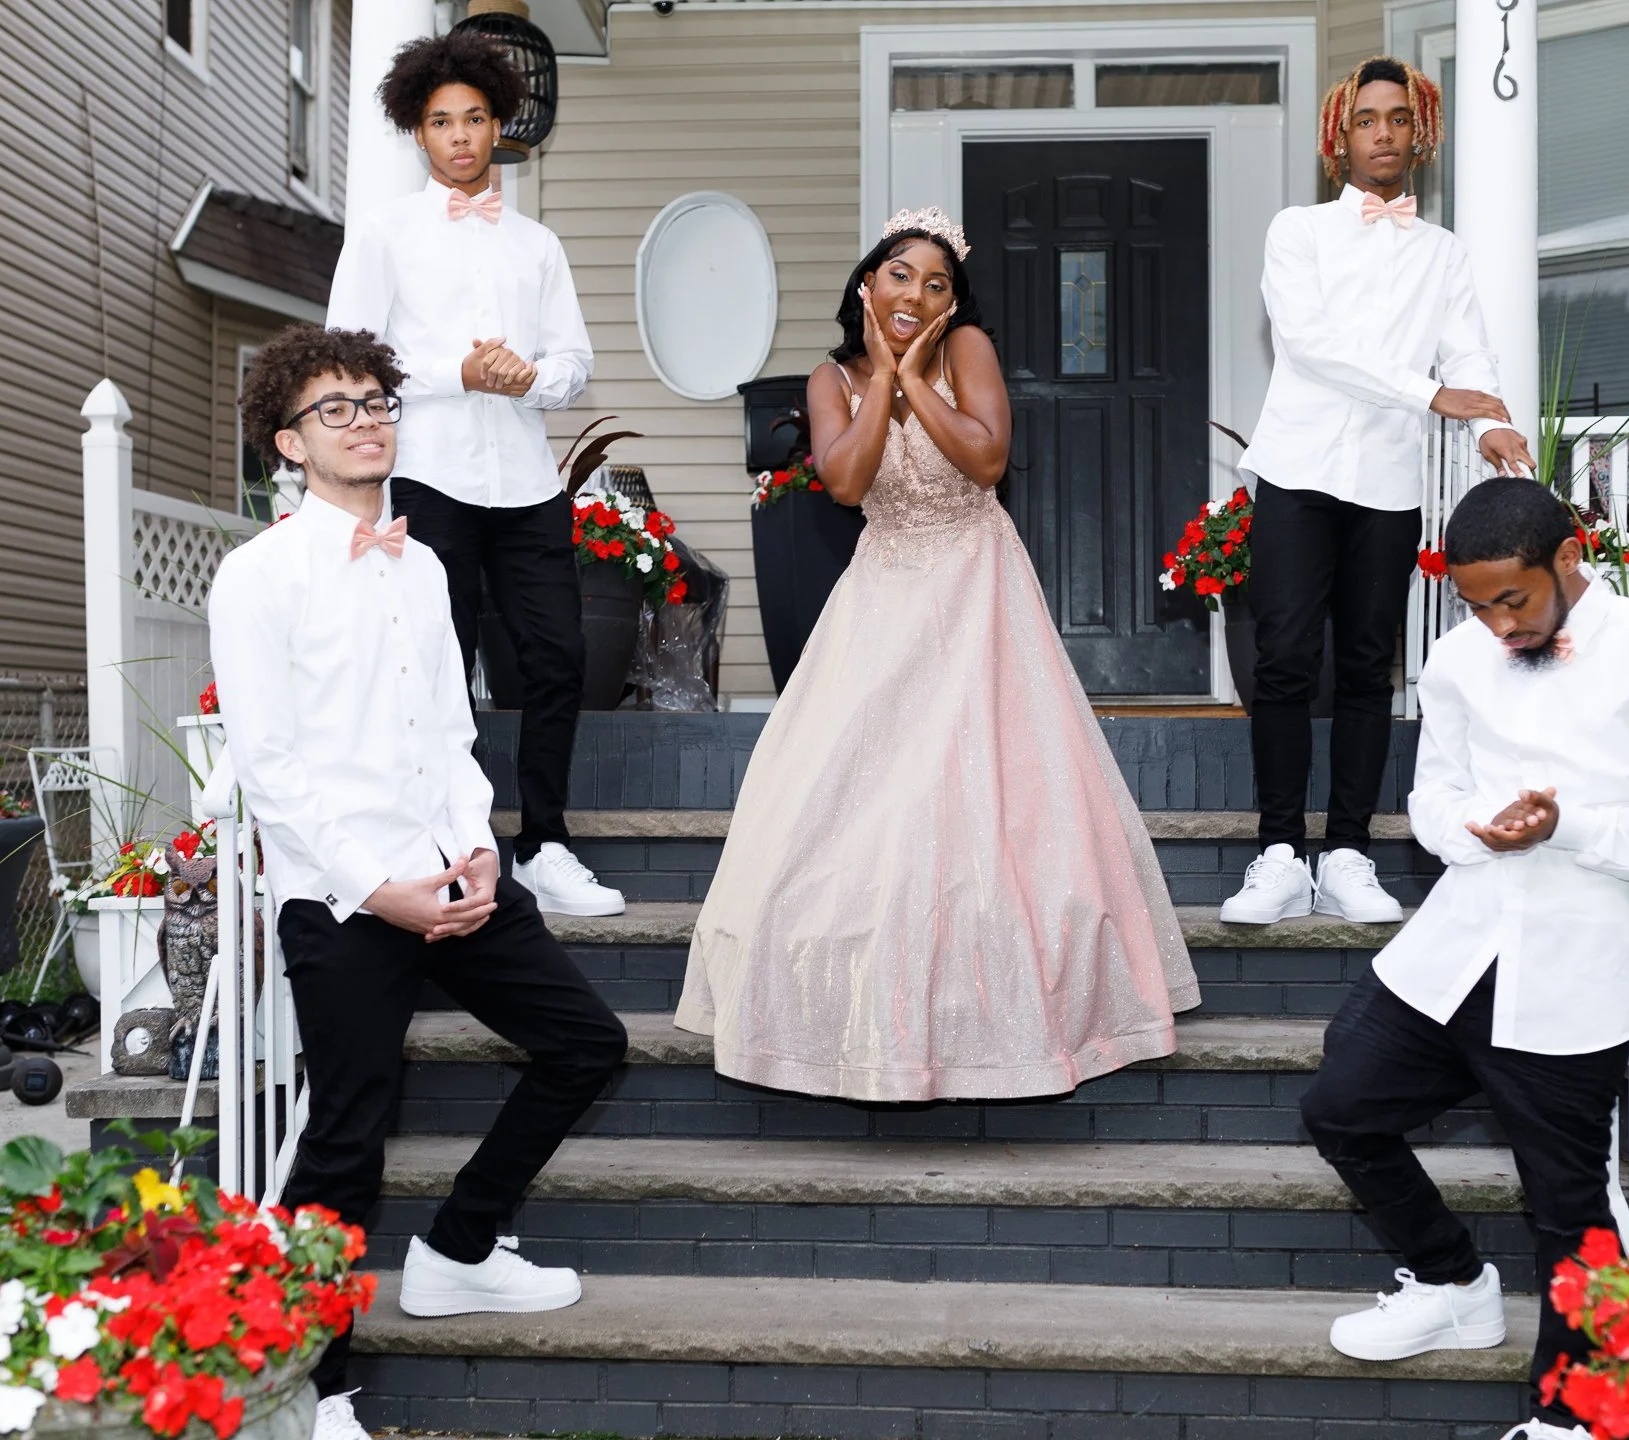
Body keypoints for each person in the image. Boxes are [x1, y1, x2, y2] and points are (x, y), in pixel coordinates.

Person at [210, 325, 629, 1440]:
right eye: (335, 408)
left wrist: (478, 846)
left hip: (451, 874)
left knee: (590, 1045)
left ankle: (457, 1248)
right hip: (341, 897)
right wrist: (376, 888)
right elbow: (272, 769)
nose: (366, 420)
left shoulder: (426, 562)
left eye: (377, 400)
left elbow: (450, 731)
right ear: (287, 444)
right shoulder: (255, 577)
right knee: (348, 1131)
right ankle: (317, 1383)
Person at [675, 210, 1199, 1100]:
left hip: (975, 580)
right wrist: (881, 375)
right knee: (862, 786)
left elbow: (987, 459)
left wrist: (919, 378)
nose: (916, 293)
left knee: (991, 787)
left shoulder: (970, 356)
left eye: (937, 283)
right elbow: (844, 479)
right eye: (900, 275)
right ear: (865, 285)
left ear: (954, 305)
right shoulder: (829, 377)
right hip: (884, 585)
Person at [1298, 478, 1629, 1440]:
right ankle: (1453, 1282)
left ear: (1570, 557)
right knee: (1341, 1107)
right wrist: (1476, 830)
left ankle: (1575, 1414)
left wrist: (1565, 825)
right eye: (1477, 603)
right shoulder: (1456, 661)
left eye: (1514, 600)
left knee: (1565, 1197)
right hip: (1457, 944)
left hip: (1578, 962)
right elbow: (1433, 800)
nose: (1497, 622)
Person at [1222, 55, 1537, 927]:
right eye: (1369, 119)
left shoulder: (1445, 255)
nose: (1385, 133)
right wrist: (1430, 395)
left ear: (1419, 133)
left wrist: (1487, 424)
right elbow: (1311, 343)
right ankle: (1279, 855)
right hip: (1298, 470)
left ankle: (1350, 854)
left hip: (1389, 483)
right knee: (1284, 661)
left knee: (1368, 667)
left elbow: (1468, 354)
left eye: (1399, 118)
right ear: (1340, 137)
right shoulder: (1299, 232)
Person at [326, 29, 622, 918]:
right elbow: (349, 361)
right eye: (441, 121)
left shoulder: (537, 245)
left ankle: (545, 842)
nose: (459, 136)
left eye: (475, 119)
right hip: (429, 479)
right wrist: (459, 373)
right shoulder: (384, 233)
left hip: (527, 483)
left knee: (558, 659)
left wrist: (530, 378)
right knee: (438, 663)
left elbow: (574, 362)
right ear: (419, 133)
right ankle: (456, 841)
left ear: (501, 127)